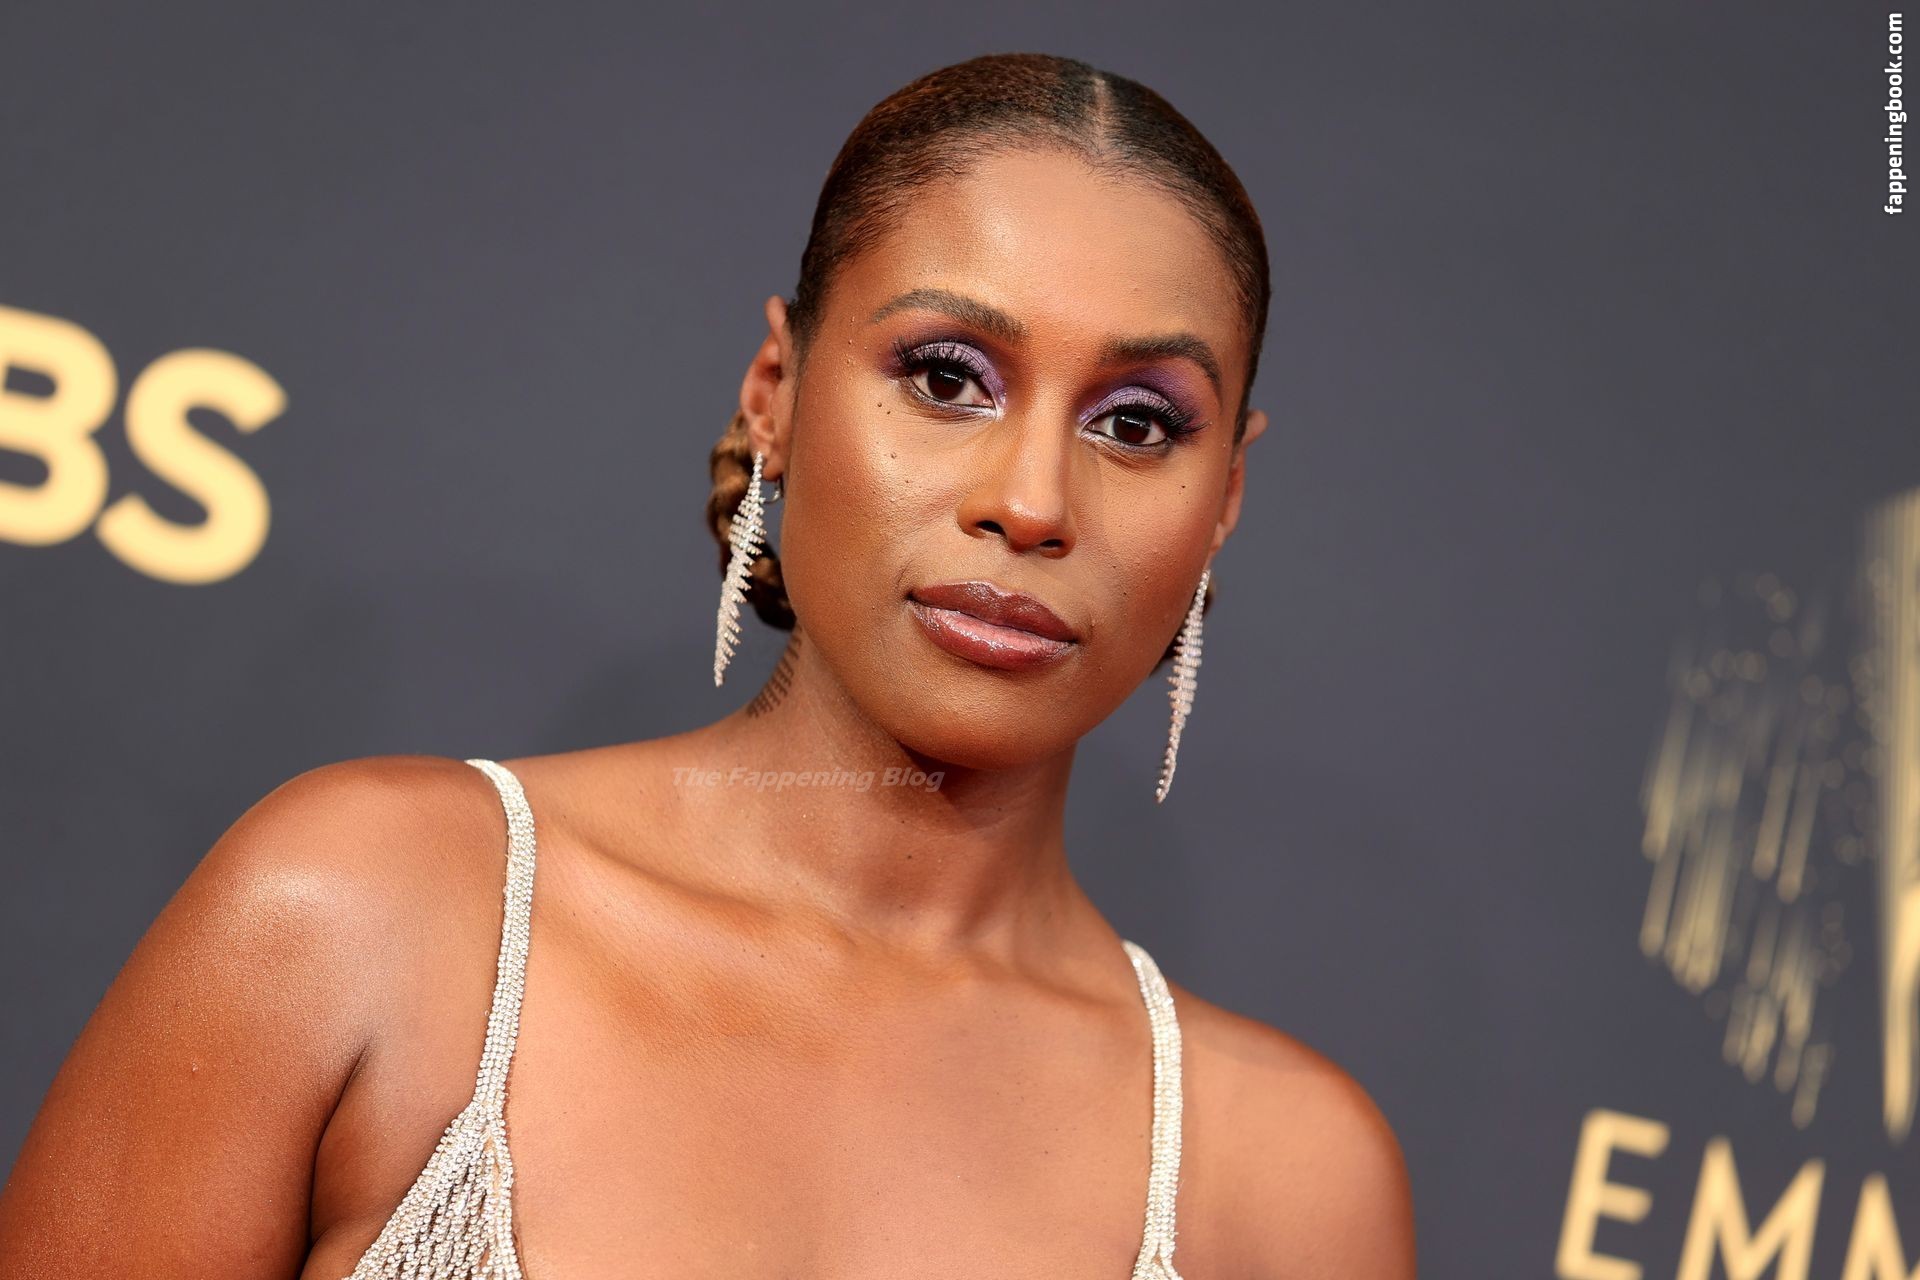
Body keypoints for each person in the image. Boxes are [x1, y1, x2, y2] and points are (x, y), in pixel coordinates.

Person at [0, 51, 1416, 1279]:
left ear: (1225, 499)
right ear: (777, 395)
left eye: (1137, 423)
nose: (1033, 501)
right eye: (945, 377)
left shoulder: (1287, 1179)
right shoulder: (364, 916)